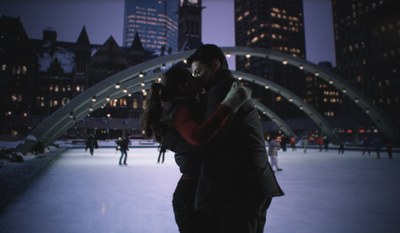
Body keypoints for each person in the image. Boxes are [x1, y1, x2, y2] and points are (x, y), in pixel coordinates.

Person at [141, 64, 251, 233]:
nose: (197, 78)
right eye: (193, 76)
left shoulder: (186, 104)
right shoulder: (182, 108)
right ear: (183, 86)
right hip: (191, 196)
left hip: (196, 192)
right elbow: (198, 137)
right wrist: (230, 103)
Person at [188, 44, 284, 233]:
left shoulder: (221, 88)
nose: (196, 78)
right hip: (249, 185)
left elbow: (209, 138)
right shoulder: (224, 87)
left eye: (198, 71)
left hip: (239, 189)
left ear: (215, 65)